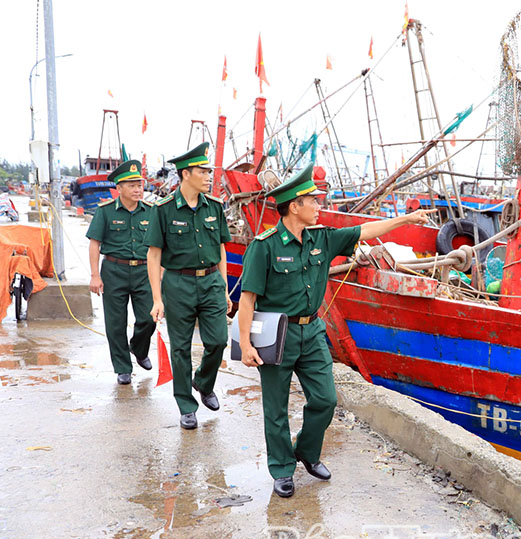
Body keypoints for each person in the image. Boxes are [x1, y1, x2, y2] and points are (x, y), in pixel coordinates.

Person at [237, 164, 435, 498]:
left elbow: (365, 230)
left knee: (326, 400)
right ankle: (282, 470)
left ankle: (307, 452)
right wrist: (245, 344)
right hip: (275, 333)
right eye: (312, 201)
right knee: (276, 408)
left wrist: (405, 220)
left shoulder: (322, 238)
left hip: (312, 331)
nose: (319, 205)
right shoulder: (264, 246)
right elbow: (247, 298)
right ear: (294, 207)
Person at [145, 142, 231, 430]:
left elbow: (220, 249)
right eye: (203, 171)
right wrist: (157, 299)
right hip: (178, 284)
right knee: (180, 348)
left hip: (210, 282)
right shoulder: (164, 209)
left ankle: (204, 382)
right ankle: (186, 405)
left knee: (219, 340)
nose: (209, 176)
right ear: (185, 174)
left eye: (209, 171)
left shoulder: (215, 207)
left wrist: (224, 288)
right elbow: (154, 254)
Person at [86, 160, 155, 385]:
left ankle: (138, 348)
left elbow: (159, 246)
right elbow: (94, 244)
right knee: (115, 323)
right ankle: (122, 367)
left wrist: (161, 272)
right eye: (132, 185)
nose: (138, 189)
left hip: (144, 271)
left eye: (140, 185)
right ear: (119, 188)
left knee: (149, 317)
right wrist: (95, 275)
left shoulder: (152, 212)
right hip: (114, 270)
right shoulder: (105, 212)